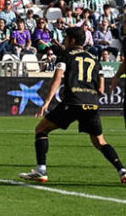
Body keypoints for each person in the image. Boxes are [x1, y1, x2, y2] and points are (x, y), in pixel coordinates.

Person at [19, 27, 126, 184]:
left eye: (66, 38)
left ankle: (41, 170)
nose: (64, 41)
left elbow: (57, 77)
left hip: (73, 101)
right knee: (100, 142)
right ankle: (122, 170)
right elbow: (101, 89)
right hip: (91, 104)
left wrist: (47, 102)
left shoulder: (65, 55)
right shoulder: (94, 58)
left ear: (72, 40)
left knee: (41, 129)